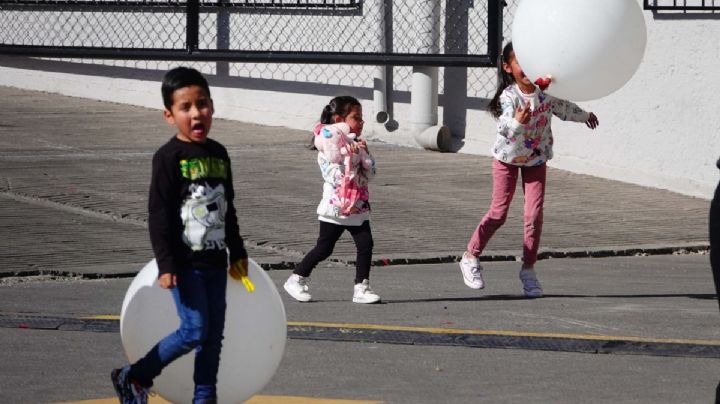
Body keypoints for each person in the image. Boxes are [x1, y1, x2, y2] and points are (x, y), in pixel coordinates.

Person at [111, 66, 251, 404]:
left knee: (212, 338)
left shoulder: (219, 153)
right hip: (185, 263)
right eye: (185, 107)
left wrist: (239, 251)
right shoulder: (167, 158)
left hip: (216, 261)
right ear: (169, 115)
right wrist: (166, 264)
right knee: (194, 330)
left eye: (202, 104)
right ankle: (137, 375)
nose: (196, 113)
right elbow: (158, 214)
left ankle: (205, 399)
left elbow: (228, 209)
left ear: (212, 107)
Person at [459, 42, 599, 298]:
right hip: (507, 160)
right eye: (519, 63)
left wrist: (585, 115)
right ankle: (470, 255)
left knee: (533, 216)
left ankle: (528, 270)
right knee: (499, 213)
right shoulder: (509, 96)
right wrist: (517, 123)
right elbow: (504, 129)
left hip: (536, 160)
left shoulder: (545, 93)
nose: (526, 68)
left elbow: (565, 108)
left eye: (530, 61)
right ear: (508, 67)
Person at [283, 96, 380, 304]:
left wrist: (365, 156)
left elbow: (368, 175)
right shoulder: (327, 149)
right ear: (339, 119)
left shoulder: (356, 144)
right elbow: (337, 177)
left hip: (358, 207)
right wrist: (352, 159)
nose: (361, 122)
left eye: (362, 118)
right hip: (335, 209)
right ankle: (296, 278)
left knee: (366, 244)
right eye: (356, 117)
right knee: (324, 248)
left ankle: (361, 287)